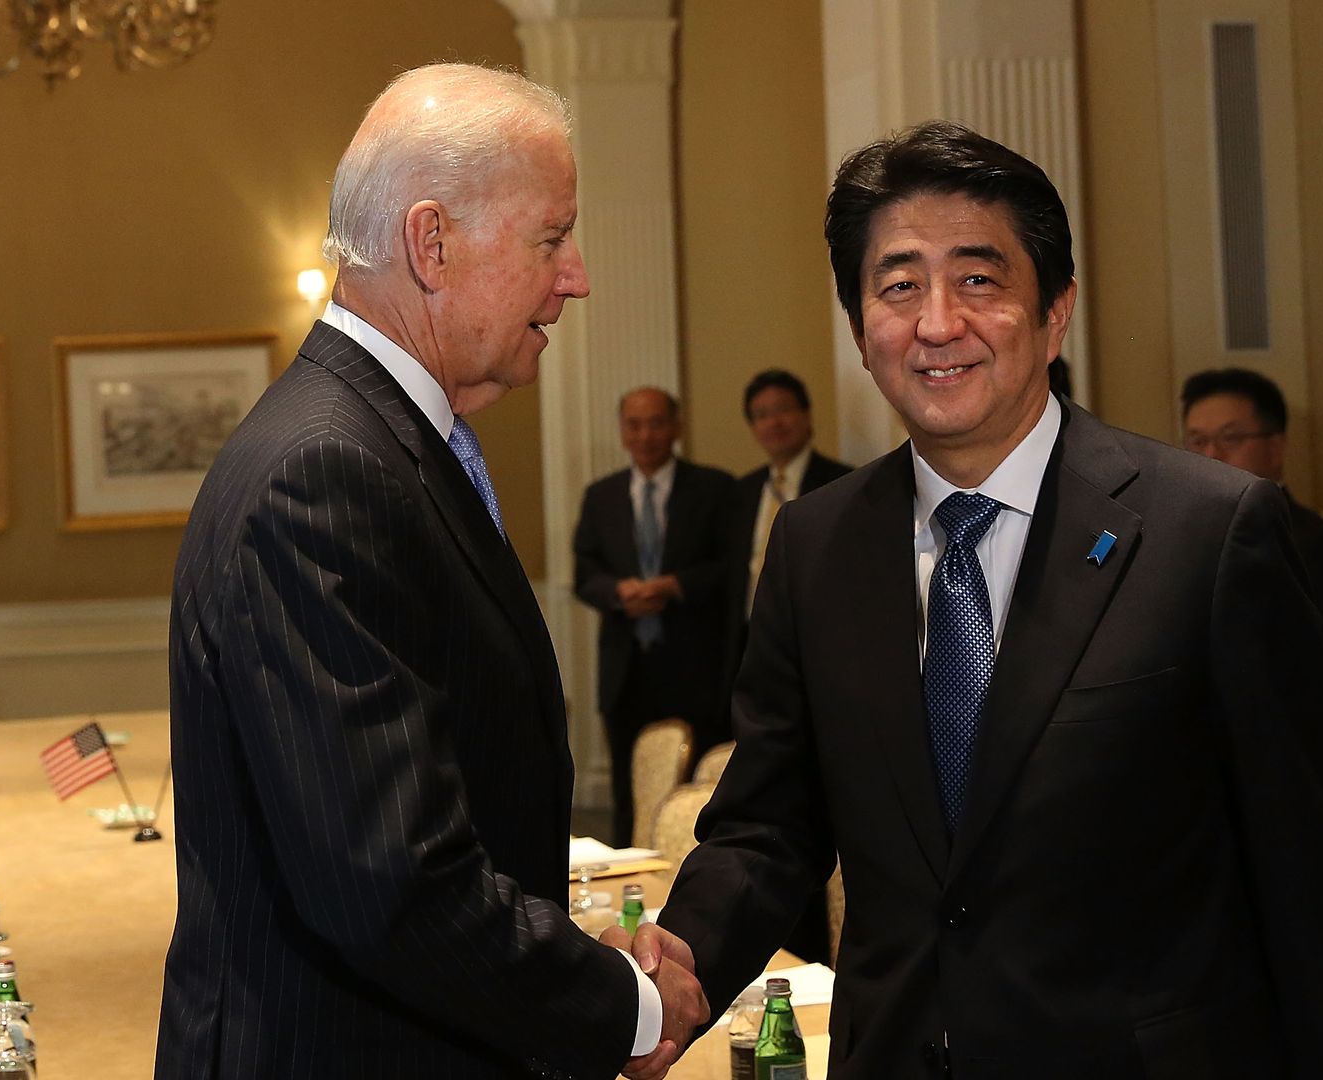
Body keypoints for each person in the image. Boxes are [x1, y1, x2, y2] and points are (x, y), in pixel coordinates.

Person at [637, 120, 1323, 1078]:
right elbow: (766, 822)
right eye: (898, 285)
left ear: (1055, 313)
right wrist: (678, 971)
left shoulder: (1210, 531)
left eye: (979, 279)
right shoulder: (816, 545)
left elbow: (1312, 878)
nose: (936, 323)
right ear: (858, 327)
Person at [156, 64, 705, 1080]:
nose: (577, 276)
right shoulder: (327, 473)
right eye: (552, 237)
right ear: (431, 242)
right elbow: (393, 884)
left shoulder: (376, 443)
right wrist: (624, 1008)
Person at [573, 387, 733, 846]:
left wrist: (674, 586)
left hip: (694, 666)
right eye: (634, 425)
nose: (646, 435)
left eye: (657, 423)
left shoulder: (714, 490)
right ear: (623, 431)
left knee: (698, 792)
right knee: (631, 791)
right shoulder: (601, 495)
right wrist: (618, 593)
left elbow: (729, 570)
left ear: (676, 427)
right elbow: (585, 573)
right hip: (627, 667)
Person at [1180, 367, 1323, 688]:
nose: (1211, 454)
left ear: (1276, 448)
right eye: (1197, 441)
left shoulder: (1314, 544)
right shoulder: (1179, 540)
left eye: (1231, 438)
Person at [728, 369, 853, 632]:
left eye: (783, 409)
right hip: (750, 634)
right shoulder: (742, 491)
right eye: (761, 415)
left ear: (807, 414)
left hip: (818, 630)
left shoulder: (842, 483)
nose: (774, 423)